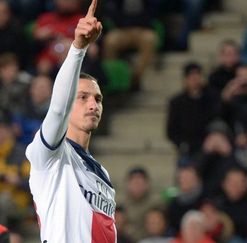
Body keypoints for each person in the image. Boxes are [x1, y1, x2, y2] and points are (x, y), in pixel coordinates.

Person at [25, 1, 117, 242]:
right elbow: (57, 110)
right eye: (83, 97)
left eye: (98, 99)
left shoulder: (102, 173)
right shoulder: (50, 156)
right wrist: (78, 48)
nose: (92, 104)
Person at [118, 167, 163, 242]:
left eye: (140, 182)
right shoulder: (121, 206)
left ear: (147, 184)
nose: (137, 185)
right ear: (128, 184)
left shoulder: (156, 204)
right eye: (134, 182)